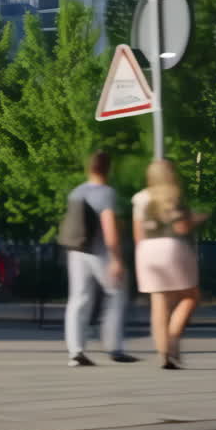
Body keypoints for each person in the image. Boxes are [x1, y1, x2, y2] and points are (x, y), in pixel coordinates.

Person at [62, 151, 136, 366]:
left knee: (78, 299)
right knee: (117, 293)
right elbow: (109, 226)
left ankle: (75, 351)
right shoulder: (106, 193)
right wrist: (117, 258)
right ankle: (114, 347)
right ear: (108, 169)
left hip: (76, 250)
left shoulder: (76, 192)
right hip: (99, 252)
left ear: (89, 168)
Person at [133, 159, 206, 369]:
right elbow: (182, 228)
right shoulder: (175, 196)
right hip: (173, 248)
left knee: (159, 303)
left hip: (147, 251)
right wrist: (197, 219)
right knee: (190, 296)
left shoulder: (140, 198)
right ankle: (173, 336)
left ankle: (163, 352)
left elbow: (138, 233)